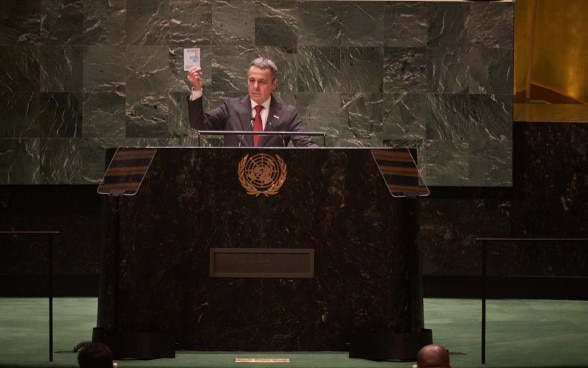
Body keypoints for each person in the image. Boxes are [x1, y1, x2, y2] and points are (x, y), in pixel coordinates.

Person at [186, 57, 317, 147]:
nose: (255, 86)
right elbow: (199, 124)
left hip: (270, 183)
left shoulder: (288, 114)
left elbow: (305, 144)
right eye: (252, 80)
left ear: (274, 84)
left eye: (262, 82)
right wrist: (197, 89)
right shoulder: (232, 108)